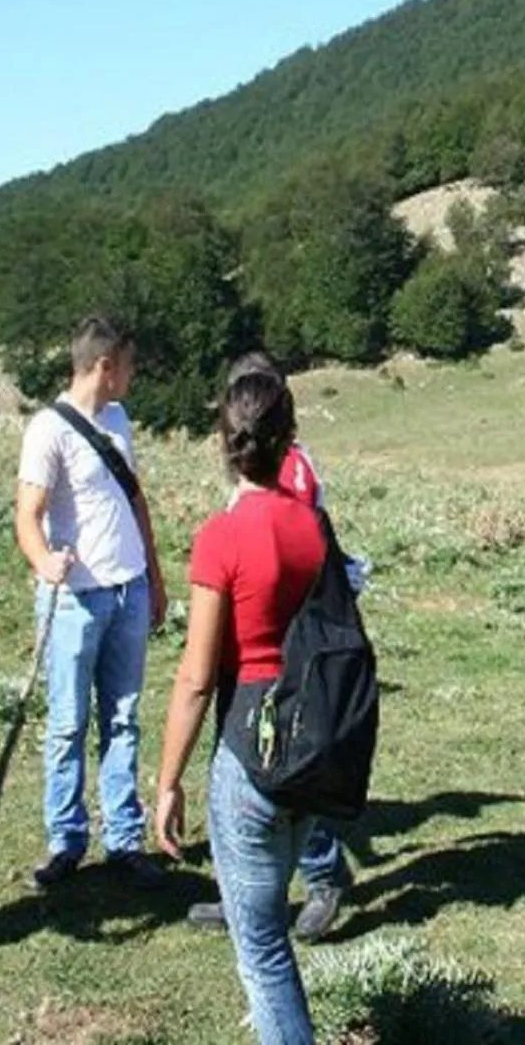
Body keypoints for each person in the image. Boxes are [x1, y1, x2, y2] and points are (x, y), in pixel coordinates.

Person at [156, 367, 331, 1044]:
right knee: (269, 941)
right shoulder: (313, 528)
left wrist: (167, 781)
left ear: (224, 442)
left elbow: (197, 677)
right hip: (310, 745)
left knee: (261, 952)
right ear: (288, 437)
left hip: (248, 753)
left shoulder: (220, 537)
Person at [184, 352, 350, 942]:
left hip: (284, 659)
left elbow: (290, 550)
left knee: (283, 767)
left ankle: (324, 877)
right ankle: (248, 895)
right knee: (262, 773)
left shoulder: (291, 473)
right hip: (257, 660)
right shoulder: (265, 464)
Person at [15, 315, 168, 888]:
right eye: (127, 366)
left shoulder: (119, 420)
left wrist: (154, 574)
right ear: (104, 367)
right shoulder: (47, 431)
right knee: (68, 722)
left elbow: (134, 498)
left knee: (123, 717)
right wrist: (43, 561)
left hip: (128, 589)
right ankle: (66, 841)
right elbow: (27, 515)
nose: (132, 376)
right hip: (76, 599)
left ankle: (124, 839)